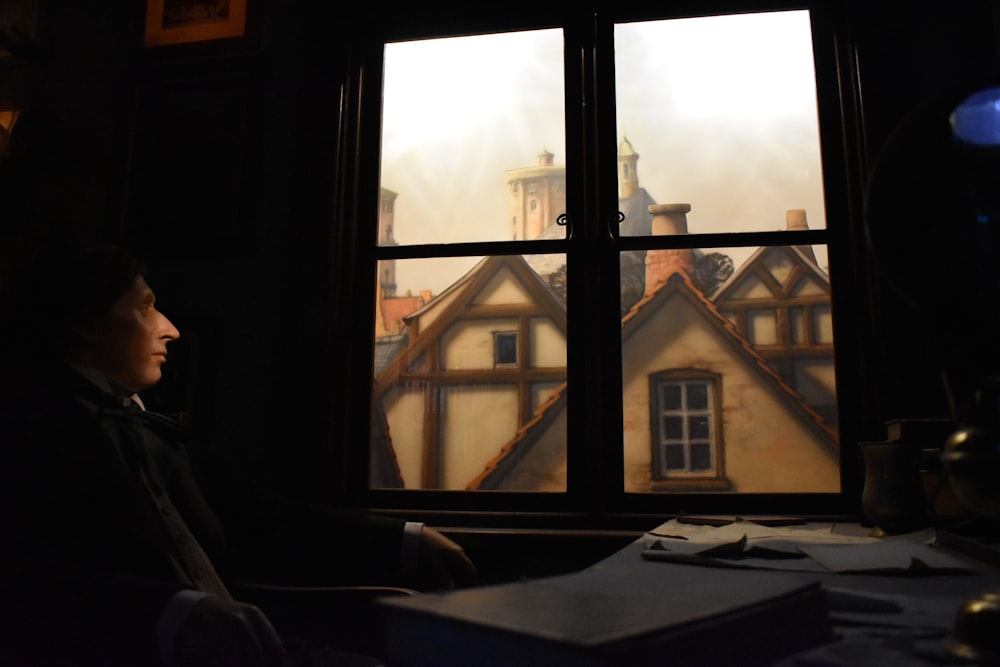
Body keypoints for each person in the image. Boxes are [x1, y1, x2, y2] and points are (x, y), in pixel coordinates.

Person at [0, 243, 477, 666]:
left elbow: (257, 515)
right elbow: (29, 580)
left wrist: (407, 537)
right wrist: (176, 613)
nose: (171, 330)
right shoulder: (29, 432)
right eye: (146, 309)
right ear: (87, 325)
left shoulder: (146, 426)